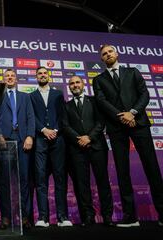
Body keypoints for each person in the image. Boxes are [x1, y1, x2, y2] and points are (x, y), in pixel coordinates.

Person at [93, 44, 163, 227]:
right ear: (101, 59)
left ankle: (162, 213)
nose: (108, 55)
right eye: (104, 54)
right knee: (123, 172)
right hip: (117, 128)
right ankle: (130, 217)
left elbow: (145, 95)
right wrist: (122, 116)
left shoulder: (133, 72)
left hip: (138, 123)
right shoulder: (99, 79)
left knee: (152, 168)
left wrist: (132, 112)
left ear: (116, 54)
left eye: (110, 52)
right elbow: (101, 102)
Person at [62, 75, 114, 227]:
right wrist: (80, 139)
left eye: (77, 82)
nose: (75, 85)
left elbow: (101, 122)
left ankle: (107, 216)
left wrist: (89, 137)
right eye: (72, 83)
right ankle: (88, 217)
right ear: (69, 87)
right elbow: (65, 126)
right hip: (77, 149)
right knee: (82, 184)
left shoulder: (95, 101)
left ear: (83, 84)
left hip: (97, 146)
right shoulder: (66, 106)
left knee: (103, 181)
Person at [30, 66, 72, 227]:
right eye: (39, 73)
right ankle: (43, 217)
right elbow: (31, 116)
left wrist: (54, 130)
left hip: (58, 140)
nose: (42, 75)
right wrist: (43, 129)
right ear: (36, 77)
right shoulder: (31, 96)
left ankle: (62, 217)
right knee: (40, 179)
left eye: (45, 73)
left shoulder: (58, 94)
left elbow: (62, 115)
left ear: (49, 76)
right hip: (40, 140)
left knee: (60, 178)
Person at [0, 69, 35, 229]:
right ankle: (6, 217)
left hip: (22, 142)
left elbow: (30, 117)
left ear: (16, 79)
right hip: (5, 142)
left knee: (24, 180)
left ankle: (25, 217)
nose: (10, 78)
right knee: (5, 181)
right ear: (3, 79)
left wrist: (30, 136)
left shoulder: (25, 97)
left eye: (12, 76)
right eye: (7, 76)